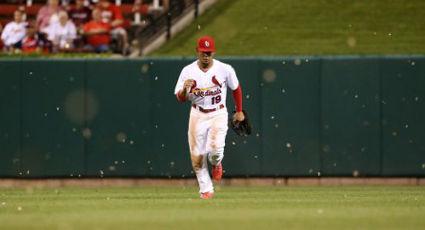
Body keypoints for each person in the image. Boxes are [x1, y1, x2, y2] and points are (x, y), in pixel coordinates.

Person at [174, 36, 245, 199]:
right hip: (197, 114)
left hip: (218, 113)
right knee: (197, 155)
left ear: (213, 52)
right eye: (202, 52)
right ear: (197, 52)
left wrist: (239, 110)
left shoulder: (225, 69)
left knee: (214, 151)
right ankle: (206, 190)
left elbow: (236, 88)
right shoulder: (187, 71)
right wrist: (185, 90)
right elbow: (180, 98)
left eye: (208, 52)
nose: (206, 55)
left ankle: (217, 162)